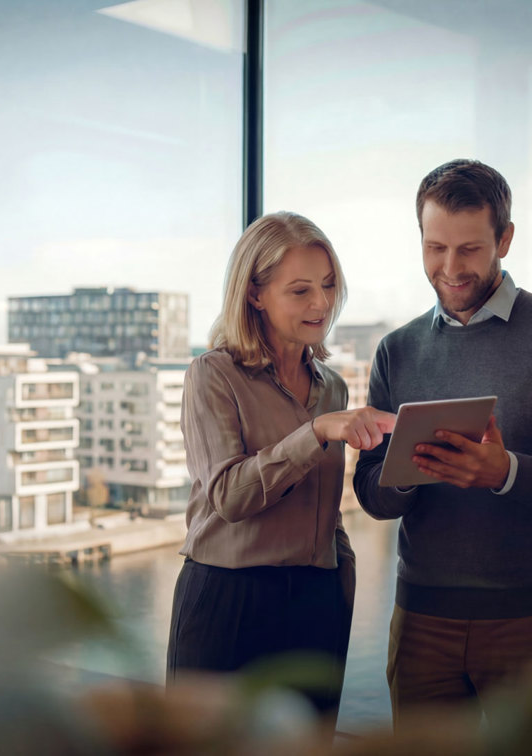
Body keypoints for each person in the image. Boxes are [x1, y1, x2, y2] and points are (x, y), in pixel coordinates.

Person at [353, 159, 532, 725]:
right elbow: (373, 496)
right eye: (435, 248)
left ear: (504, 240)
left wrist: (504, 473)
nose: (450, 268)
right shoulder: (395, 351)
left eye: (470, 249)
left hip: (531, 627)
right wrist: (403, 474)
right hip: (420, 621)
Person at [167, 211, 396, 725]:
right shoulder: (211, 375)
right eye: (300, 290)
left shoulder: (332, 387)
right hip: (228, 601)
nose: (322, 303)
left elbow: (326, 508)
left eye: (329, 285)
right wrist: (315, 433)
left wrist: (341, 578)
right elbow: (229, 497)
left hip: (318, 601)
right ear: (255, 294)